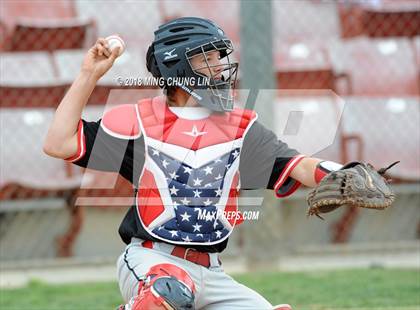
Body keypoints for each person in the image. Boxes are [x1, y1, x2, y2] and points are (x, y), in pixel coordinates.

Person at [44, 17, 343, 310]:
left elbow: (299, 165)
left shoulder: (239, 127)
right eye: (206, 58)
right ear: (177, 67)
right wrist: (89, 74)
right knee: (167, 294)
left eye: (219, 57)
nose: (219, 68)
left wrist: (343, 176)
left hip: (212, 273)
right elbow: (58, 144)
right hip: (152, 260)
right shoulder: (140, 122)